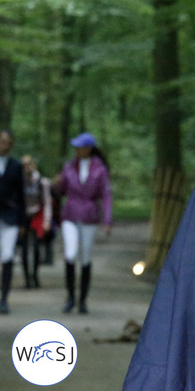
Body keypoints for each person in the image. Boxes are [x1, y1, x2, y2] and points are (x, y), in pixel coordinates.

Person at [57, 132, 112, 314]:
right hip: (70, 214)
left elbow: (106, 194)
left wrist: (107, 219)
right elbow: (61, 190)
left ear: (89, 149)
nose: (77, 150)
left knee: (86, 256)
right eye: (76, 147)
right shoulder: (69, 167)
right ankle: (70, 297)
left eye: (80, 147)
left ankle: (82, 300)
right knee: (70, 253)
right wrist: (56, 184)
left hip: (89, 215)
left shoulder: (99, 169)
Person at [0, 129, 25, 314]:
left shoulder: (16, 166)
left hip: (10, 217)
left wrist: (23, 222)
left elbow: (21, 195)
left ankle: (4, 298)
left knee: (7, 255)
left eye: (5, 142)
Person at [21, 155, 53, 289]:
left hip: (37, 216)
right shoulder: (19, 181)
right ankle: (27, 278)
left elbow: (47, 202)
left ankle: (35, 275)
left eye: (29, 164)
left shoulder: (42, 182)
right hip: (23, 216)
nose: (27, 167)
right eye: (24, 165)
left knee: (35, 248)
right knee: (23, 249)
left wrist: (47, 220)